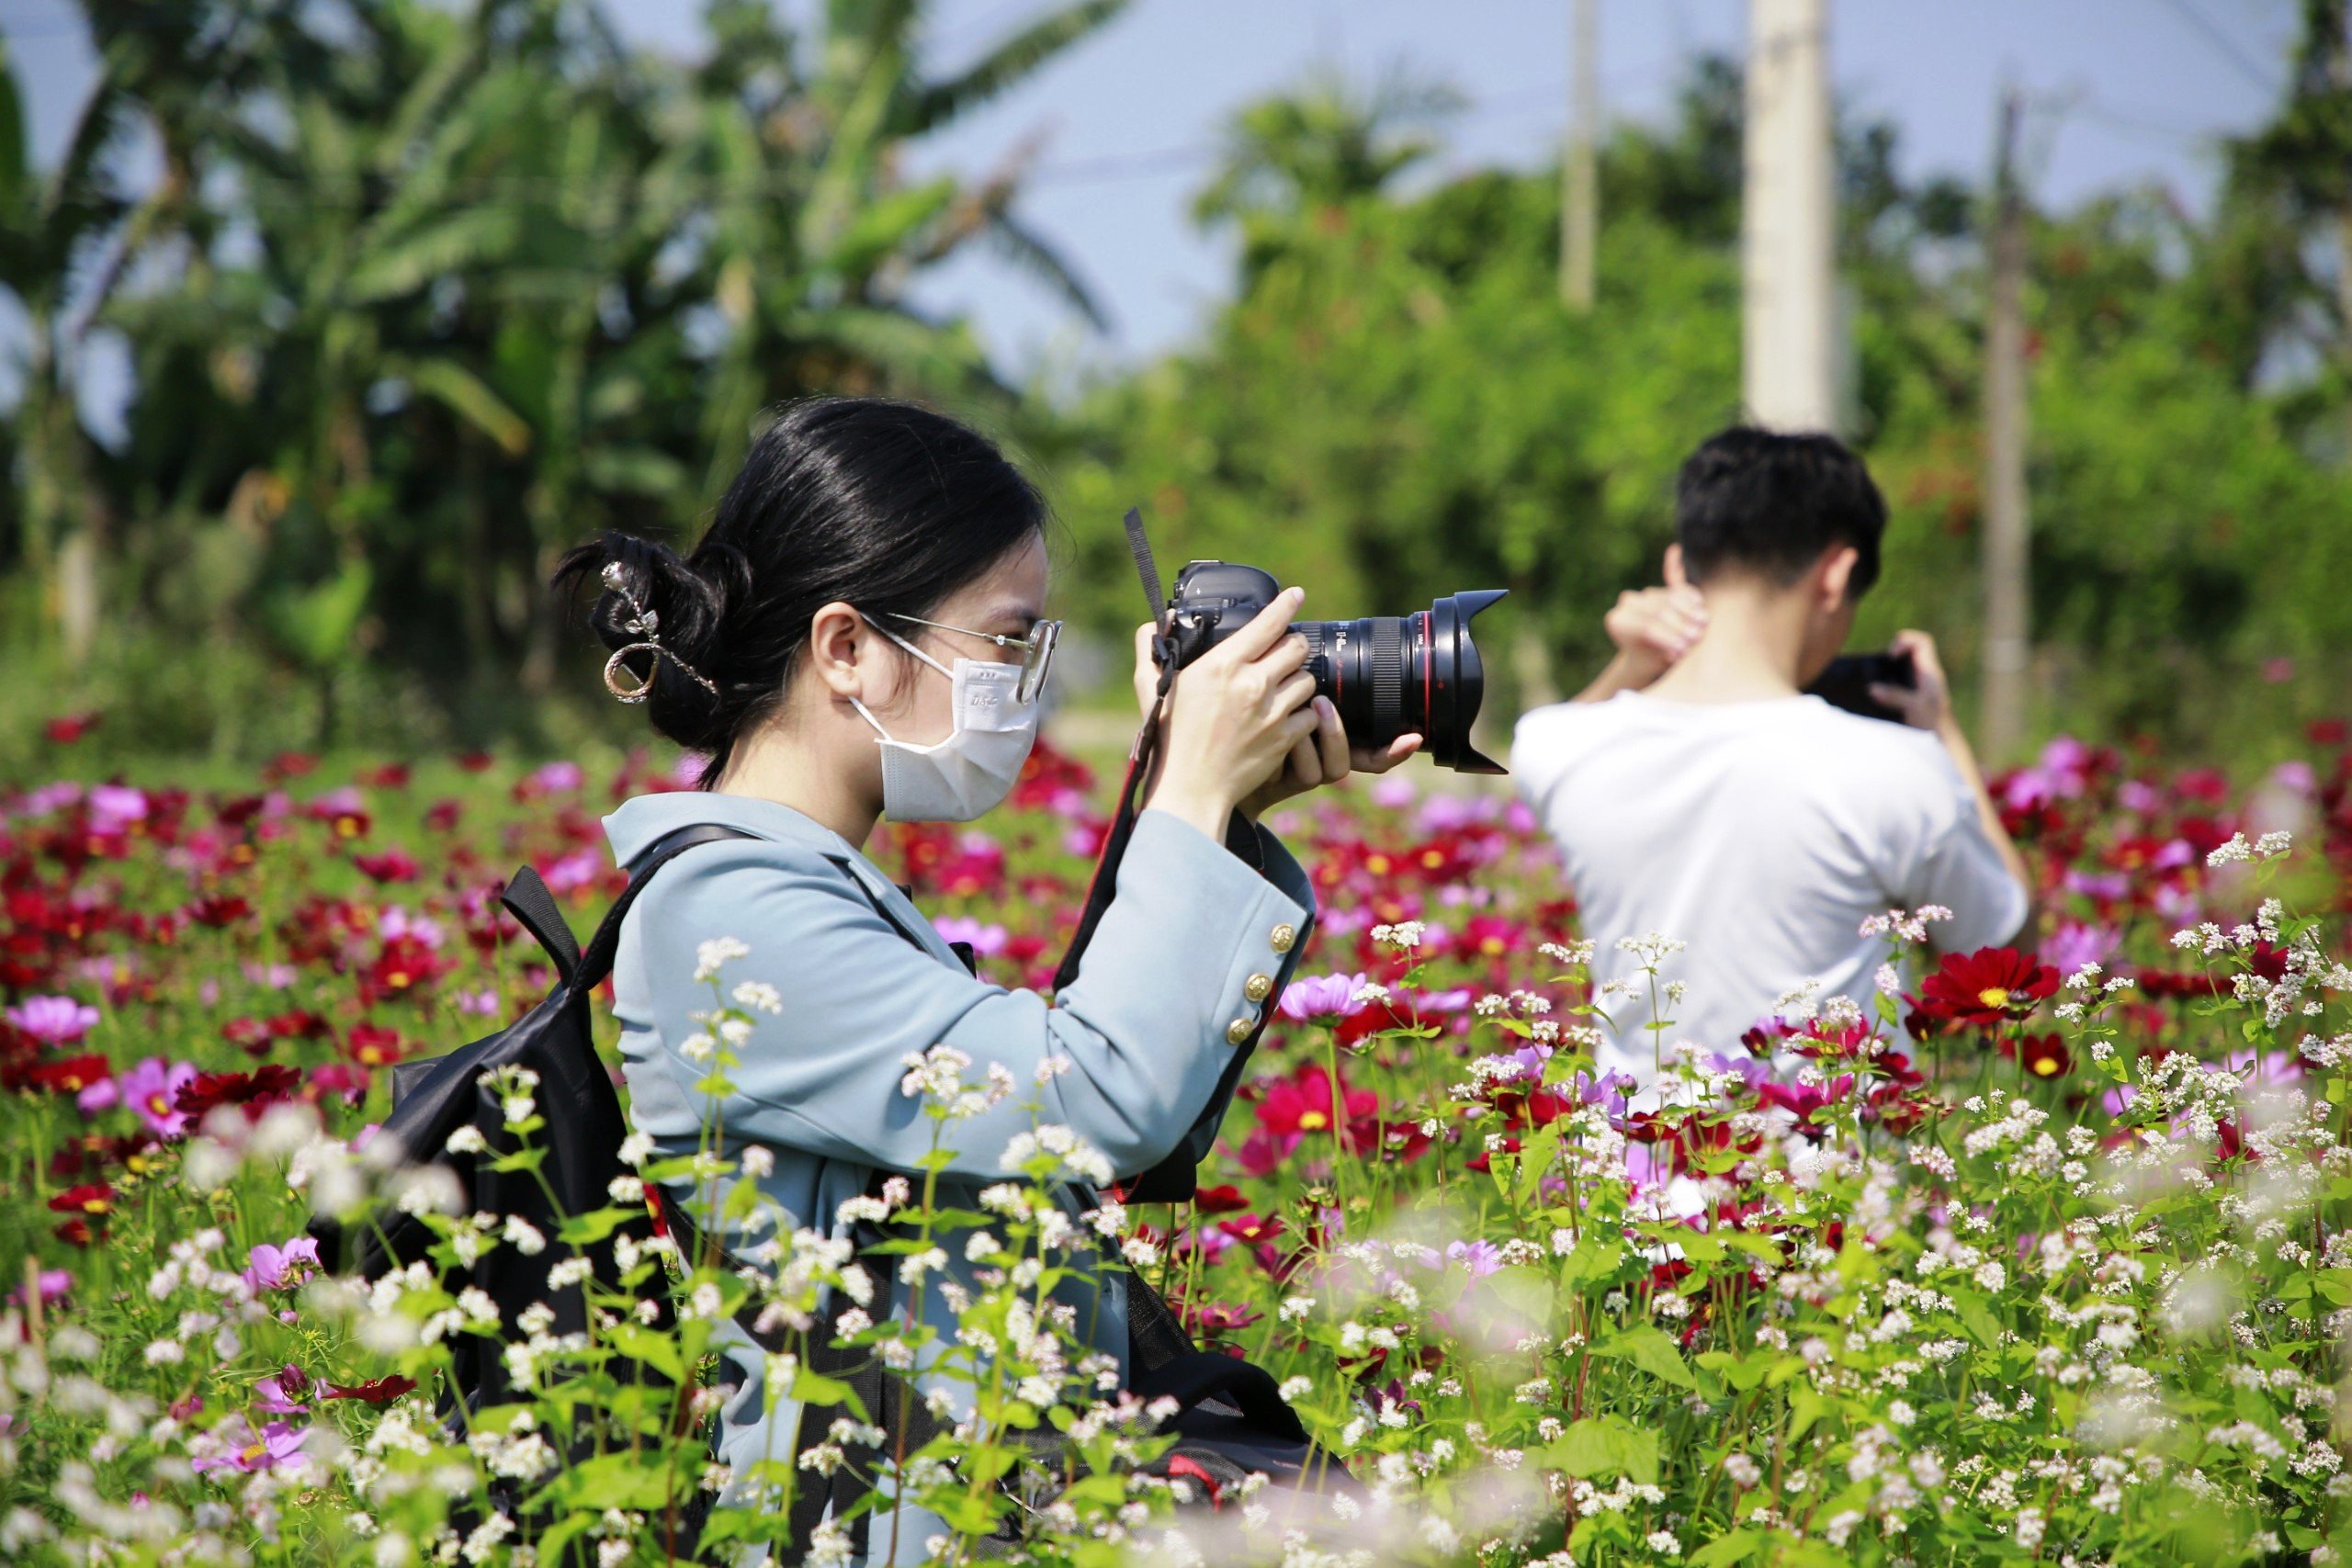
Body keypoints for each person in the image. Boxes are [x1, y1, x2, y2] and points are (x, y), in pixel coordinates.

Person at [555, 396, 1418, 1562]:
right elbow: (1091, 1104)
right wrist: (1185, 795)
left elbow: (1083, 1120)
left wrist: (1217, 811)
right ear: (846, 647)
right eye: (1008, 643)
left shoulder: (811, 882)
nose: (1027, 685)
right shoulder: (733, 909)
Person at [1510, 425, 2030, 1089]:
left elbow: (1553, 739)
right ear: (1837, 574)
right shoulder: (1896, 768)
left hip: (1632, 1182)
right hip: (1836, 1183)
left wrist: (1632, 664)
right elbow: (2009, 960)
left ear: (1678, 568)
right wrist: (1945, 733)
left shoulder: (1563, 749)